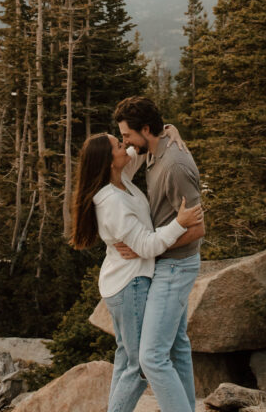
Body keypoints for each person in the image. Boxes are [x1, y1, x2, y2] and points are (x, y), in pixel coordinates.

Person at [70, 128, 203, 412]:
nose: (125, 147)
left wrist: (167, 129)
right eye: (119, 145)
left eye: (123, 139)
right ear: (109, 161)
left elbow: (143, 142)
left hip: (126, 281)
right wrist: (179, 222)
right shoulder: (112, 202)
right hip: (131, 285)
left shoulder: (121, 178)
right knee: (139, 367)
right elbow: (146, 246)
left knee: (129, 358)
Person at [113, 96, 204, 412]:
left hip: (176, 267)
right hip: (163, 262)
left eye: (127, 135)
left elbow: (196, 230)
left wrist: (148, 246)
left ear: (145, 129)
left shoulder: (174, 165)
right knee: (177, 348)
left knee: (150, 356)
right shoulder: (151, 150)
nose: (125, 143)